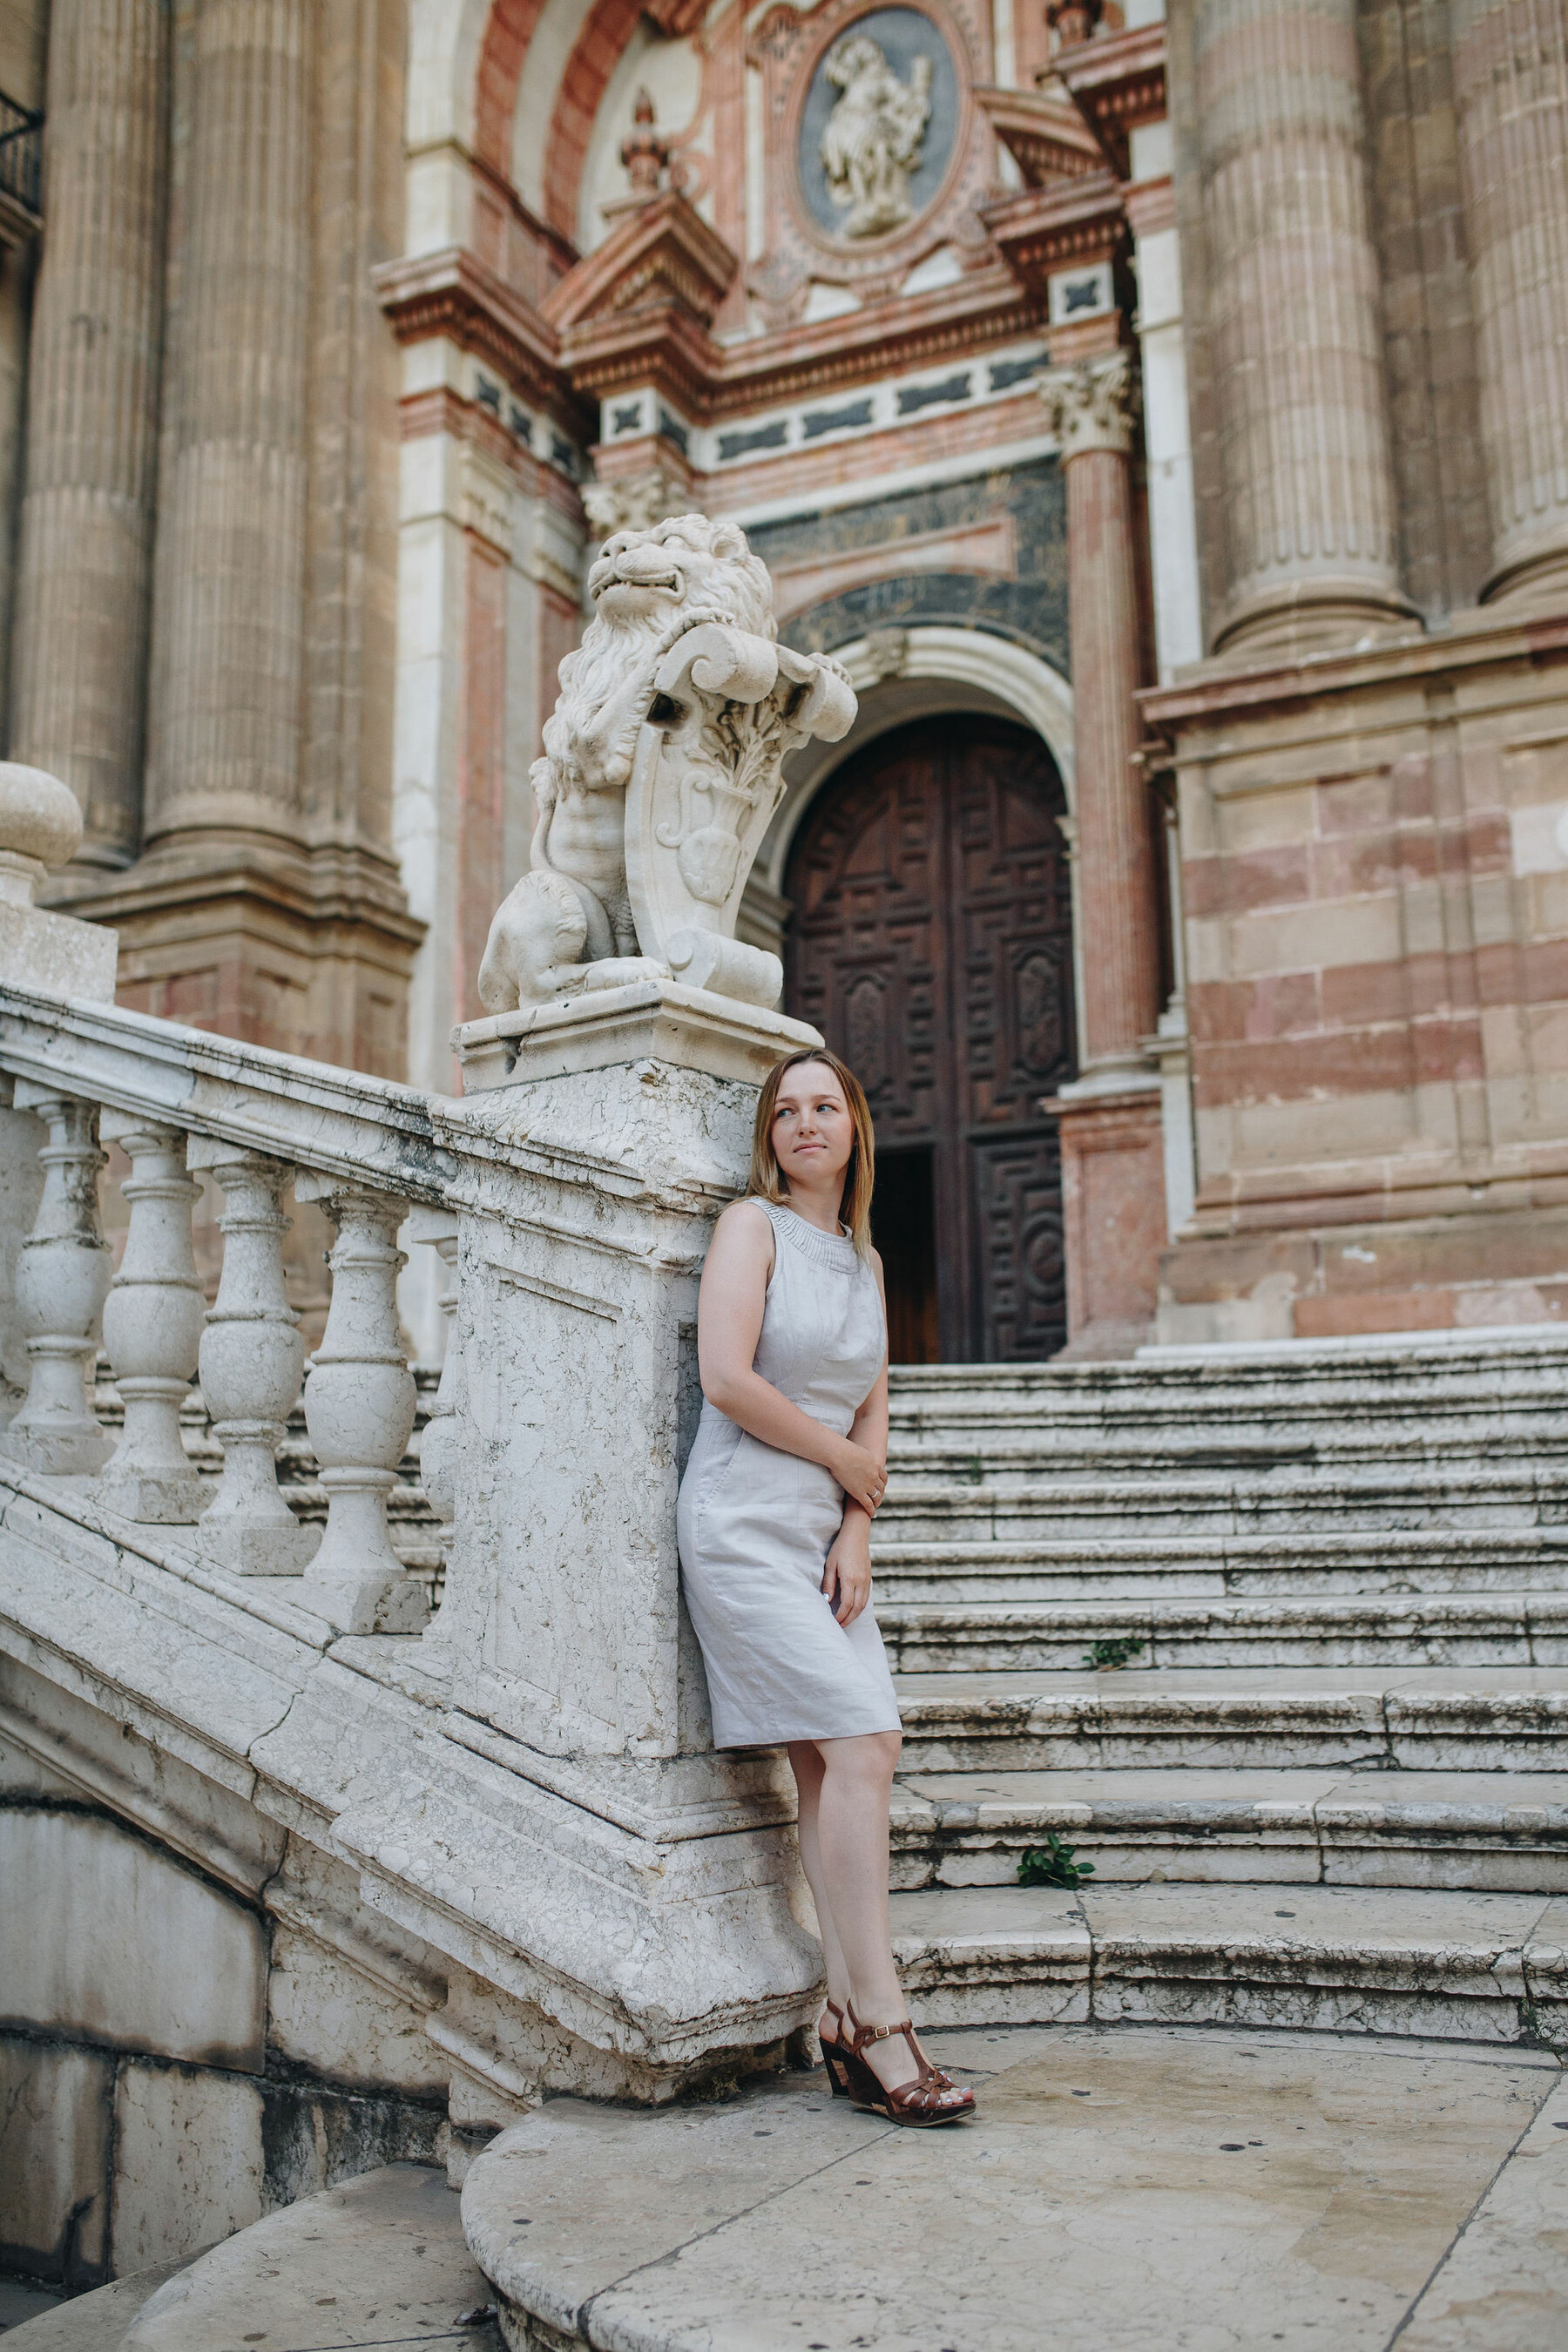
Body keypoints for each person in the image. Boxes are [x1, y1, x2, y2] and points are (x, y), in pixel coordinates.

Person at [677, 1046, 975, 2126]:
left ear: (854, 1127)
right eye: (787, 1110)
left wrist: (858, 1522)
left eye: (825, 1107)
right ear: (771, 1136)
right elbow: (726, 1377)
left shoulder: (867, 1259)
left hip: (821, 1538)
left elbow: (873, 1407)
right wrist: (842, 1465)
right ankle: (884, 2021)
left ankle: (848, 2020)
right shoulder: (749, 1229)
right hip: (741, 1523)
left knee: (830, 1763)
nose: (807, 1125)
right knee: (863, 1743)